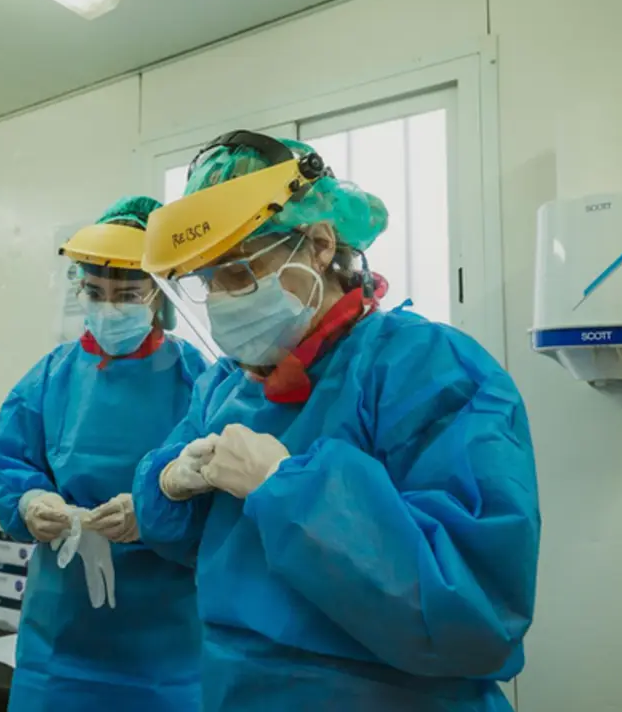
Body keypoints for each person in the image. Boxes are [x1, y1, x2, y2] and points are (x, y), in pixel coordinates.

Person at [133, 131, 541, 711]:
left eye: (240, 271)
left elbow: (474, 611)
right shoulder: (229, 383)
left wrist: (288, 489)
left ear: (320, 244)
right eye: (206, 279)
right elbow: (179, 538)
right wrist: (170, 483)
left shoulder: (427, 369)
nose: (221, 298)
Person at [0, 197, 208, 711]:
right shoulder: (49, 378)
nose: (110, 307)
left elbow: (222, 496)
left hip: (169, 654)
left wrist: (153, 513)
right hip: (58, 647)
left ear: (158, 293)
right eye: (96, 292)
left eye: (127, 294)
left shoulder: (197, 381)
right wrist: (31, 502)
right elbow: (10, 466)